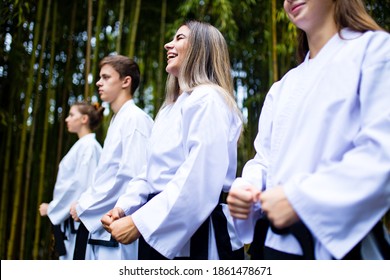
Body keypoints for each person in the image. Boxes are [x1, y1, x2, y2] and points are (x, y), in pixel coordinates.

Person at [227, 0, 390, 260]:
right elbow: (266, 159)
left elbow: (382, 154)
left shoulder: (375, 50)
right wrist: (248, 188)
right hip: (273, 247)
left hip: (340, 249)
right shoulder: (283, 87)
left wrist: (301, 199)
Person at [101, 20, 244, 260]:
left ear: (202, 48)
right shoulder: (168, 110)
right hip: (155, 223)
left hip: (196, 232)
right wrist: (124, 207)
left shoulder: (208, 99)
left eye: (179, 38)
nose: (168, 45)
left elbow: (197, 180)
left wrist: (140, 222)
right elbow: (149, 173)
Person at [70, 55, 154, 260]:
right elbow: (107, 175)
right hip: (105, 223)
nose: (99, 82)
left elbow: (132, 177)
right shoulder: (119, 119)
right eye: (100, 77)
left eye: (106, 77)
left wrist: (84, 205)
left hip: (120, 224)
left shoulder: (135, 119)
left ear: (126, 81)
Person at [39, 101, 104, 260]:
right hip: (72, 221)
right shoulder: (84, 145)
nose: (67, 119)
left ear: (84, 119)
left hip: (78, 221)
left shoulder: (88, 146)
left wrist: (52, 208)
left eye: (71, 115)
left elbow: (81, 186)